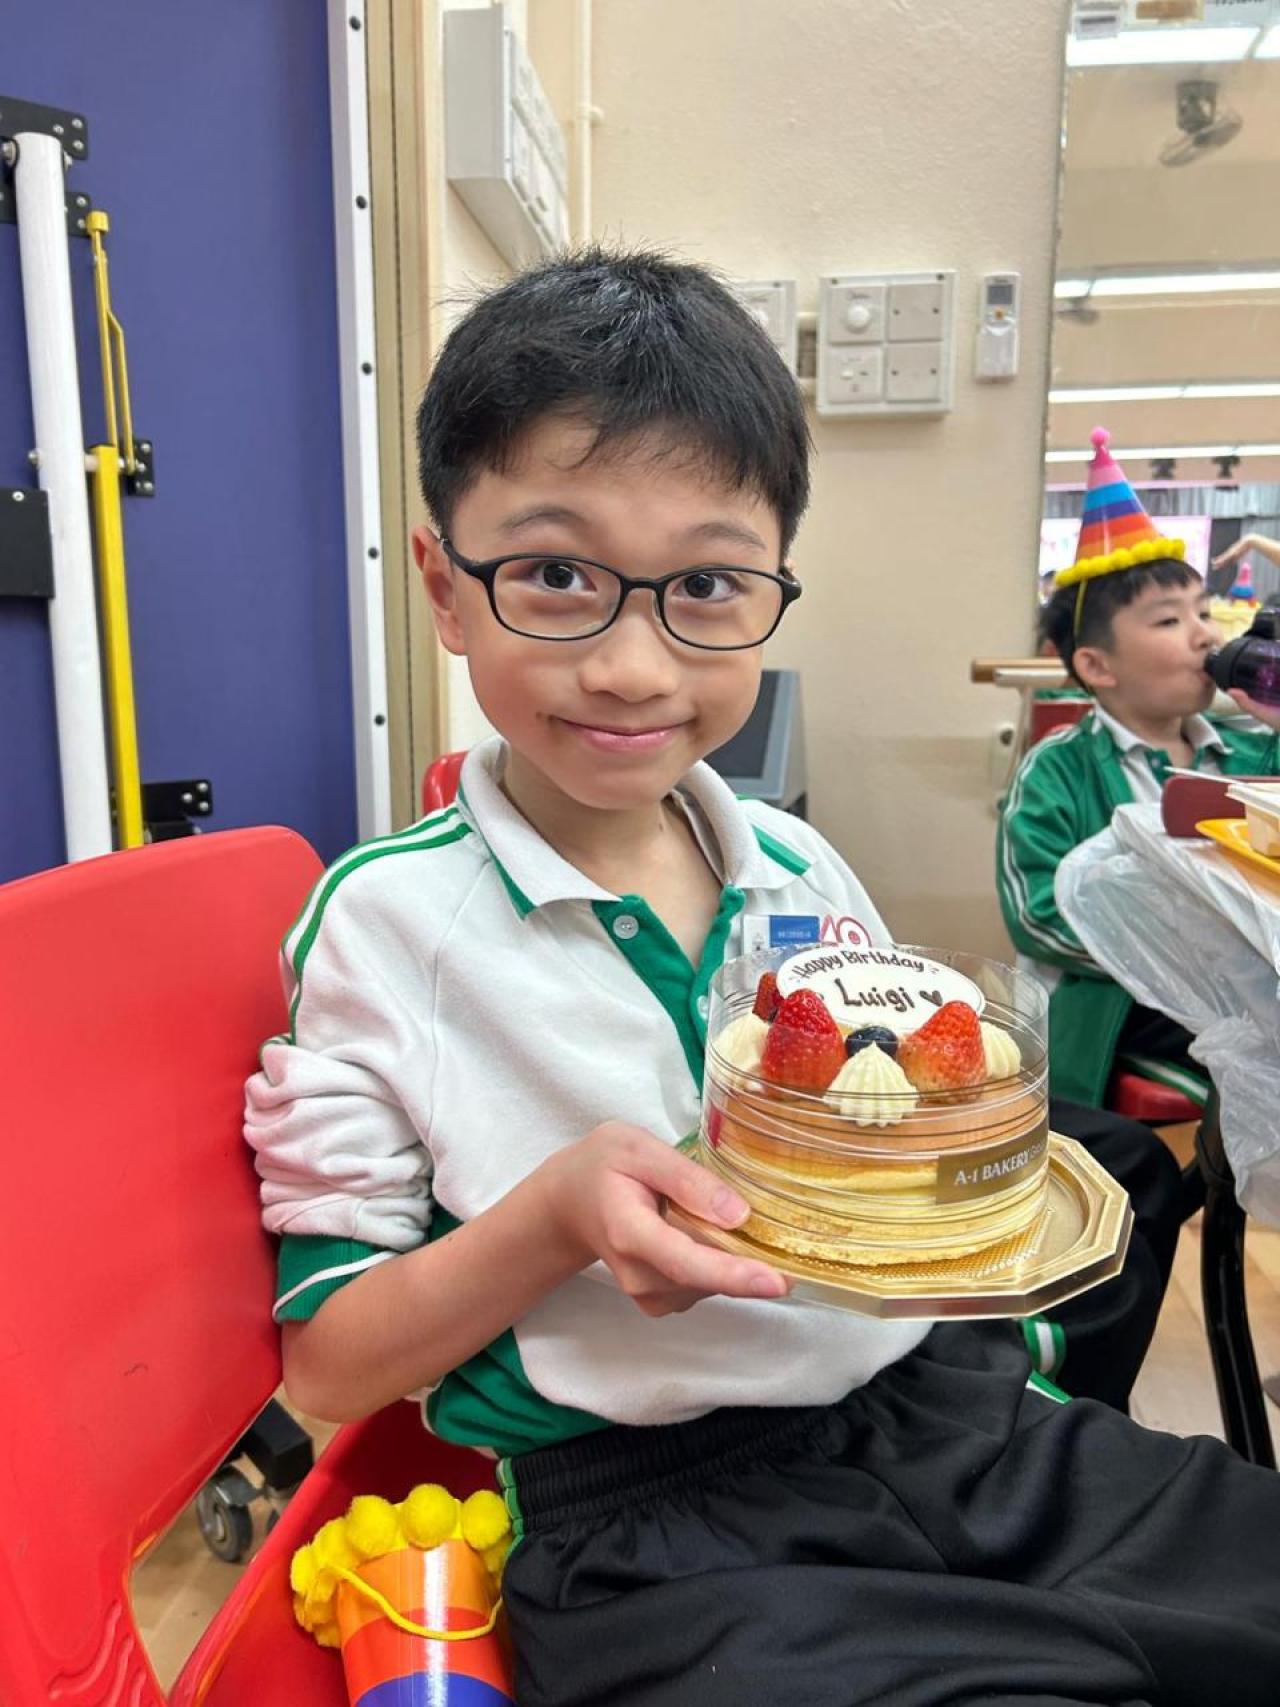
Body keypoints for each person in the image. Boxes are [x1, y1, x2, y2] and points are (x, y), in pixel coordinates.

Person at [245, 260, 1280, 1706]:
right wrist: (556, 1215)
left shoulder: (797, 862)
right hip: (651, 1525)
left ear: (771, 589)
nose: (631, 664)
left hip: (950, 1424)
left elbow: (898, 1149)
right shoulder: (385, 927)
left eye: (706, 586)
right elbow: (327, 1366)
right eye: (555, 574)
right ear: (444, 587)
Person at [998, 430, 1280, 1110]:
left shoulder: (1248, 753)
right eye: (1169, 621)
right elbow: (1035, 913)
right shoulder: (1058, 770)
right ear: (1098, 666)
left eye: (1204, 612)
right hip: (1124, 1007)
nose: (1206, 634)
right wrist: (1187, 954)